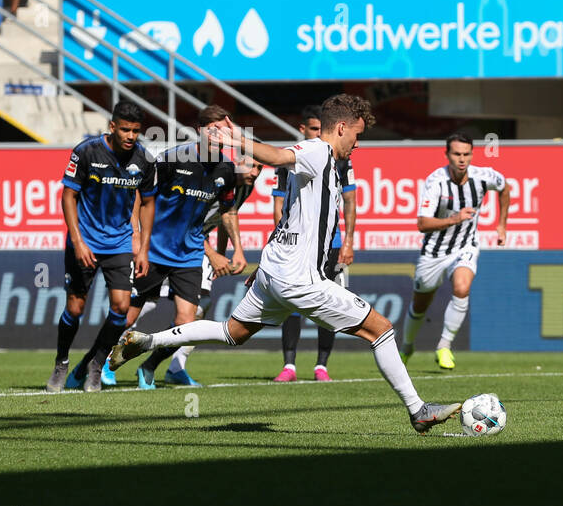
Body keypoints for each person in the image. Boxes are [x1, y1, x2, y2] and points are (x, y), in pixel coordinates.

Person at [112, 95, 463, 435]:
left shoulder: (321, 161)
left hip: (275, 272)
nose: (357, 143)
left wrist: (264, 268)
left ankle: (146, 341)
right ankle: (419, 411)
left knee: (229, 333)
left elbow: (289, 219)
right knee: (381, 329)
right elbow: (278, 155)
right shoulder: (317, 151)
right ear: (341, 128)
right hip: (299, 278)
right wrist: (238, 139)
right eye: (357, 134)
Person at [123, 105, 245, 389]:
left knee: (187, 323)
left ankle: (149, 366)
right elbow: (141, 196)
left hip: (188, 252)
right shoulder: (172, 159)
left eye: (224, 130)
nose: (218, 135)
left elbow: (228, 211)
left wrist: (237, 249)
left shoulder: (226, 169)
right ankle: (97, 363)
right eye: (212, 129)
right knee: (126, 314)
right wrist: (136, 234)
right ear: (200, 131)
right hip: (154, 248)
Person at [47, 102, 157, 394]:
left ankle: (96, 366)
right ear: (112, 127)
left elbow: (147, 203)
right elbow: (69, 196)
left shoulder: (144, 159)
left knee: (121, 307)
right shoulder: (86, 152)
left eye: (135, 130)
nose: (131, 135)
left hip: (119, 243)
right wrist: (77, 241)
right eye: (125, 129)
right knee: (75, 307)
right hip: (85, 241)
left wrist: (143, 248)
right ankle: (61, 362)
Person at [401, 133, 510, 370]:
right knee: (420, 304)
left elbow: (504, 187)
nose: (462, 159)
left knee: (462, 287)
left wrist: (502, 224)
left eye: (466, 154)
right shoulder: (435, 182)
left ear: (472, 154)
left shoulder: (484, 176)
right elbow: (422, 223)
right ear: (447, 155)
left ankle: (444, 345)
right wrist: (454, 219)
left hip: (465, 245)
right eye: (457, 154)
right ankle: (407, 346)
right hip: (434, 251)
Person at [272, 105, 358, 382]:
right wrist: (283, 236)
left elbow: (349, 201)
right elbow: (279, 203)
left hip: (330, 244)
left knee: (329, 301)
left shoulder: (343, 161)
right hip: (298, 245)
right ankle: (289, 366)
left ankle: (322, 365)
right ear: (303, 129)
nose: (318, 134)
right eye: (313, 129)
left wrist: (348, 242)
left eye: (321, 129)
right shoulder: (293, 158)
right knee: (292, 303)